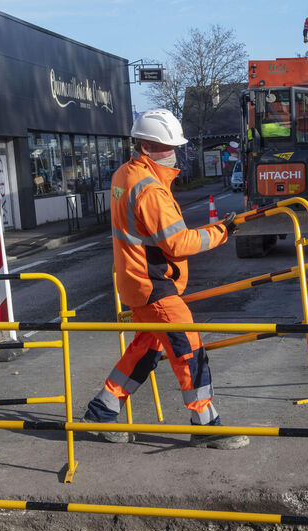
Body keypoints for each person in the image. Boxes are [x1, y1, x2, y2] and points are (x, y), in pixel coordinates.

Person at [83, 108, 247, 450]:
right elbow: (178, 242)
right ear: (146, 147)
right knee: (189, 347)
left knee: (147, 348)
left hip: (135, 281)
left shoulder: (124, 175)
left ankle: (103, 407)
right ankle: (206, 423)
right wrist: (222, 231)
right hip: (154, 282)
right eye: (167, 147)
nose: (174, 153)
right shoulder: (150, 190)